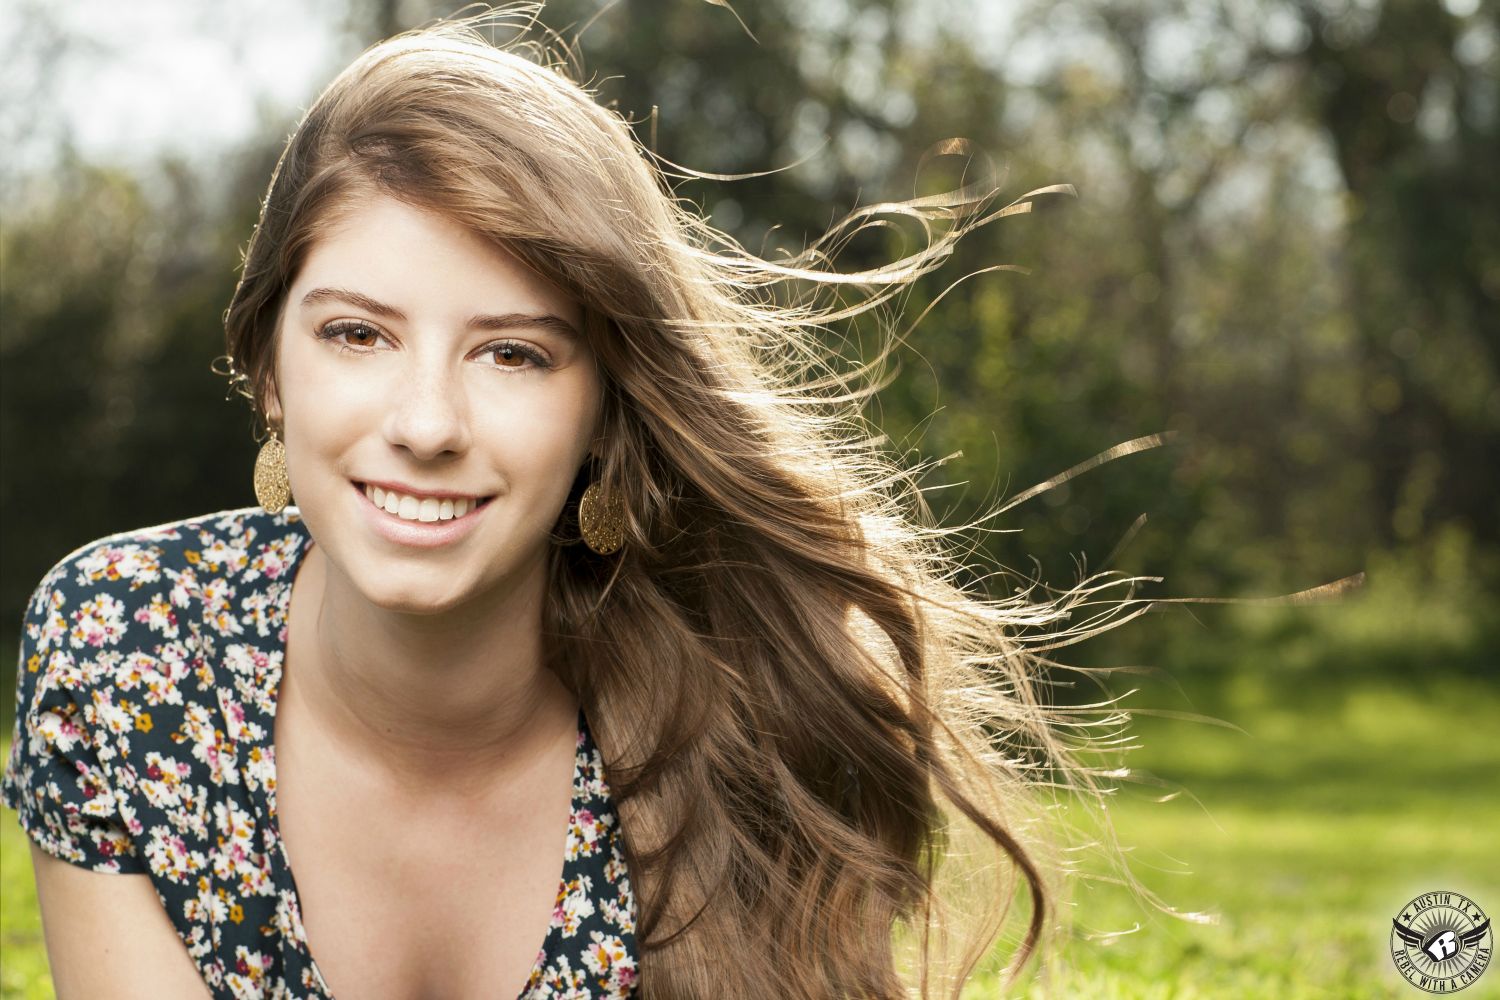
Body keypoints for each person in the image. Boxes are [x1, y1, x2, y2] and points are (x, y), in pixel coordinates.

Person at [3, 5, 1145, 998]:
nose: (427, 422)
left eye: (513, 354)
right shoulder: (121, 647)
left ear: (606, 404)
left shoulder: (749, 710)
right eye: (357, 333)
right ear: (267, 366)